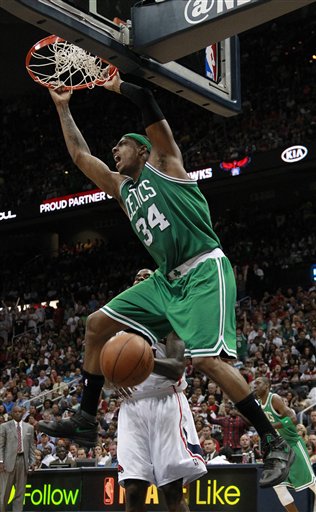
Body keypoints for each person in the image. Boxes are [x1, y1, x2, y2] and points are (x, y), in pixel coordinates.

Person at [39, 70, 294, 488]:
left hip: (203, 267)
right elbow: (83, 159)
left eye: (121, 145)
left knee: (208, 359)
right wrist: (63, 106)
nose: (115, 151)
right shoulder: (124, 191)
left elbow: (146, 100)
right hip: (166, 279)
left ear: (142, 150)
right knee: (96, 325)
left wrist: (111, 81)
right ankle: (85, 418)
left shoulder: (168, 165)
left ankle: (272, 439)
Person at [111, 268, 206, 512]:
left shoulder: (170, 320)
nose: (141, 280)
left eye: (148, 277)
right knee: (132, 489)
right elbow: (104, 374)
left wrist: (139, 362)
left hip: (165, 402)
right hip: (132, 408)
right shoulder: (117, 328)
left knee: (171, 490)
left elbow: (177, 368)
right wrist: (113, 381)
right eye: (137, 277)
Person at [255, 376, 316, 512]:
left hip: (293, 443)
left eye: (258, 383)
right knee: (278, 486)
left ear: (267, 385)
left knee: (312, 483)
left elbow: (293, 419)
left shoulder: (274, 399)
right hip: (279, 447)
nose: (255, 385)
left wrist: (272, 426)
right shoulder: (259, 402)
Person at [0, 405, 36, 512]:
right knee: (4, 493)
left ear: (23, 412)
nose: (18, 413)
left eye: (20, 412)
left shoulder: (29, 427)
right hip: (8, 462)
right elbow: (0, 445)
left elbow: (31, 447)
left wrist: (32, 461)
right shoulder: (4, 426)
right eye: (15, 412)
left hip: (23, 461)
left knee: (20, 493)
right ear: (11, 413)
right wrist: (1, 461)